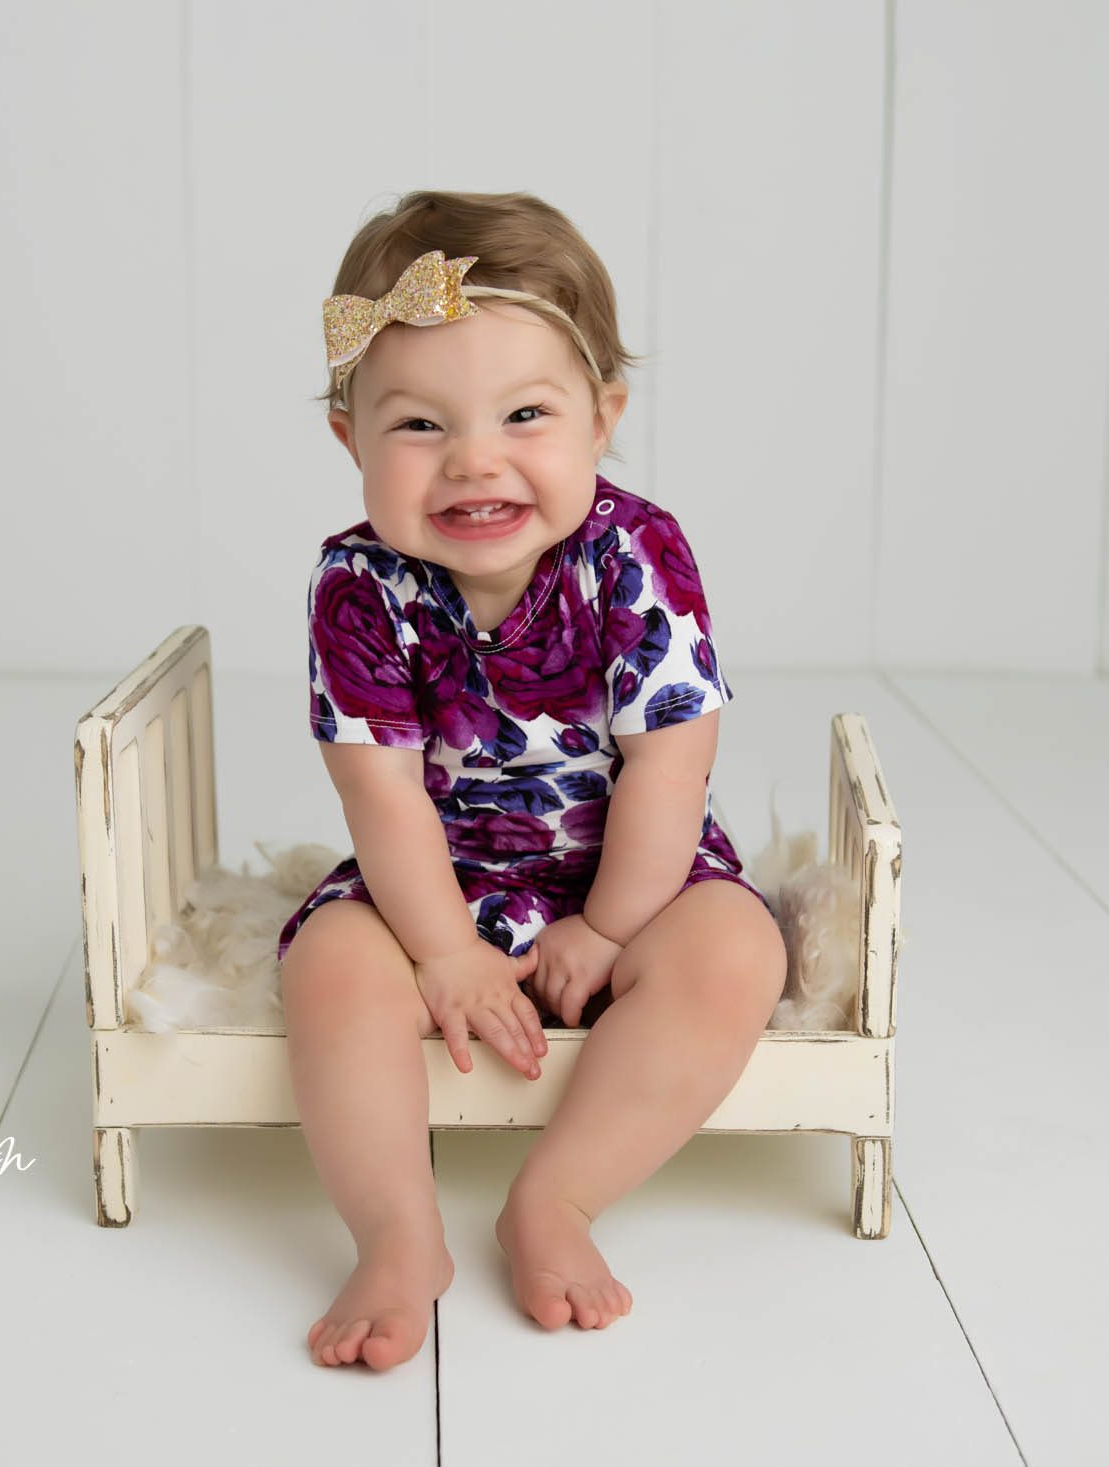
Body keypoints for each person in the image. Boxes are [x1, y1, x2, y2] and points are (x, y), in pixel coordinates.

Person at [277, 191, 788, 1371]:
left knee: (734, 957)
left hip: (634, 871)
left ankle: (554, 1198)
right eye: (416, 426)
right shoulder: (356, 586)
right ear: (349, 438)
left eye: (522, 414)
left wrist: (611, 928)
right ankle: (396, 1233)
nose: (473, 461)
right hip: (435, 881)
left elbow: (670, 757)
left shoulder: (633, 551)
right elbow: (382, 795)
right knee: (331, 973)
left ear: (601, 417)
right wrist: (444, 950)